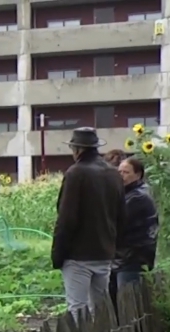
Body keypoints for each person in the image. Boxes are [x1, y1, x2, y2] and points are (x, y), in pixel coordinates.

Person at [51, 127, 125, 315]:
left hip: (78, 254)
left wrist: (58, 254)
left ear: (77, 149)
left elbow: (67, 218)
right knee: (100, 307)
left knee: (78, 308)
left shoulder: (76, 173)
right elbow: (121, 214)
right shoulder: (113, 174)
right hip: (105, 251)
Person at [113, 157, 159, 292]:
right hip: (131, 256)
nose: (121, 175)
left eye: (126, 172)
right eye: (119, 171)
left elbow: (116, 222)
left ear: (138, 175)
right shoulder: (130, 193)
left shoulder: (137, 197)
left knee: (129, 300)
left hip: (132, 257)